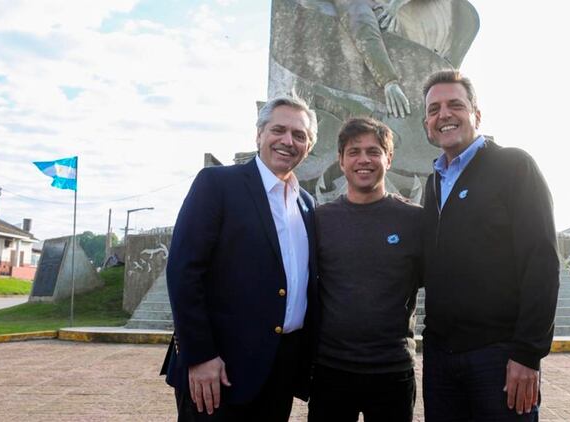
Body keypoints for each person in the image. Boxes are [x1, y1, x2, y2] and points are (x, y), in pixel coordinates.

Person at [161, 96, 319, 421]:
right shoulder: (218, 184)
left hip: (279, 372)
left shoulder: (307, 204)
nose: (288, 141)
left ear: (309, 145)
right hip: (218, 372)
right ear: (259, 134)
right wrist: (200, 356)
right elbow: (183, 272)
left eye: (299, 135)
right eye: (279, 129)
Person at [420, 70, 559, 421]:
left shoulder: (514, 166)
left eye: (455, 104)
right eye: (434, 109)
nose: (444, 115)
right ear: (427, 123)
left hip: (498, 358)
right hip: (441, 360)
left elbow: (541, 262)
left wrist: (528, 354)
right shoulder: (433, 183)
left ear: (476, 115)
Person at [308, 117, 422, 421]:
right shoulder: (319, 221)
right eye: (354, 151)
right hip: (330, 370)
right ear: (341, 161)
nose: (364, 160)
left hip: (392, 370)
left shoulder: (415, 221)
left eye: (374, 151)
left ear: (389, 158)